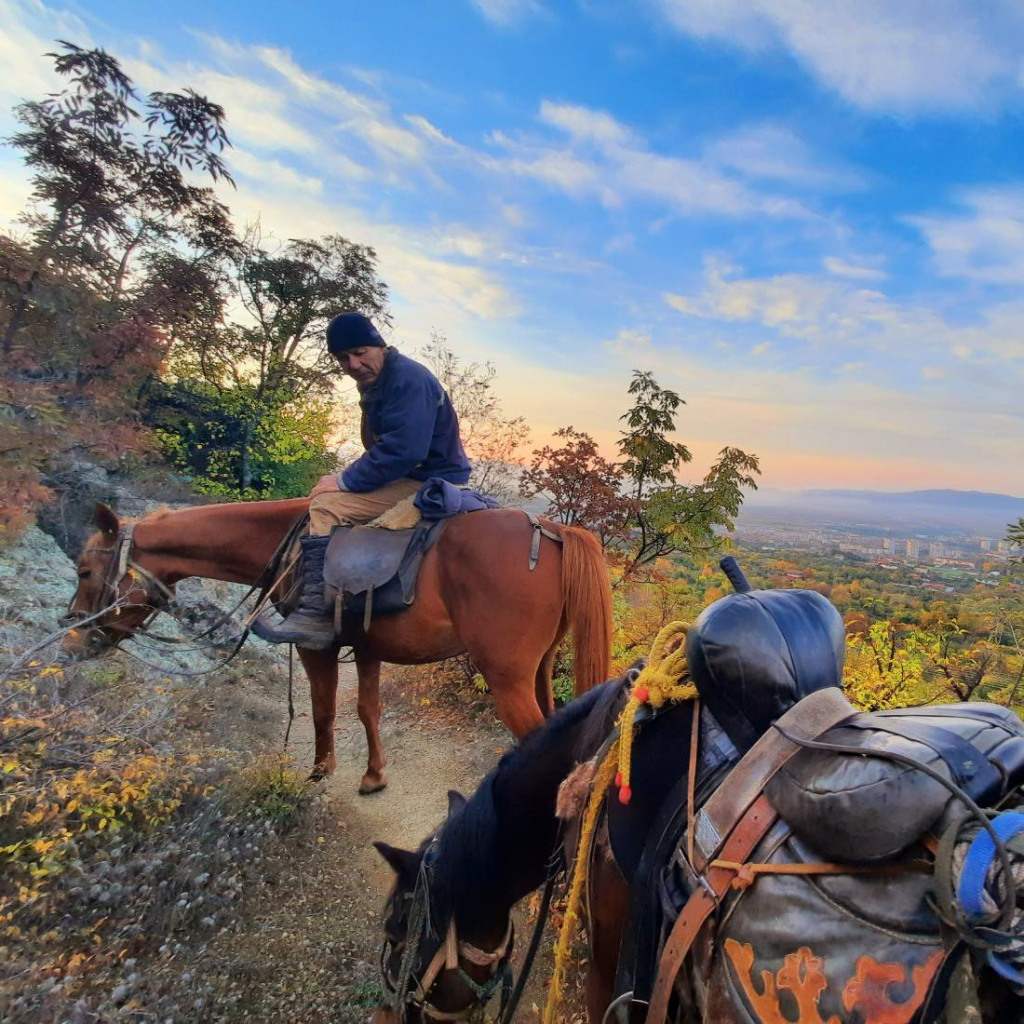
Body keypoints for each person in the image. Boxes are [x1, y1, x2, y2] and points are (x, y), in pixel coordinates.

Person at [253, 312, 471, 649]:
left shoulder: (407, 378)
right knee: (332, 492)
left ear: (379, 346)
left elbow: (404, 449)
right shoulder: (381, 380)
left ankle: (314, 613)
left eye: (360, 352)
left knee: (325, 506)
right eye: (343, 358)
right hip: (413, 473)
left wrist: (344, 481)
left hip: (425, 478)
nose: (353, 363)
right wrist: (345, 478)